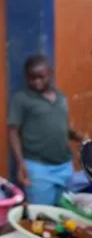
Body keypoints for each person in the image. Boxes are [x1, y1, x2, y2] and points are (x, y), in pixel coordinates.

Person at [9, 54, 88, 205]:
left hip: (65, 166)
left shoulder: (61, 97)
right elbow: (13, 132)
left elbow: (62, 127)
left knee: (65, 213)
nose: (37, 82)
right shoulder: (21, 99)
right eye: (32, 78)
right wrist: (20, 163)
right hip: (39, 168)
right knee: (42, 215)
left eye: (41, 77)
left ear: (50, 73)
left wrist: (80, 137)